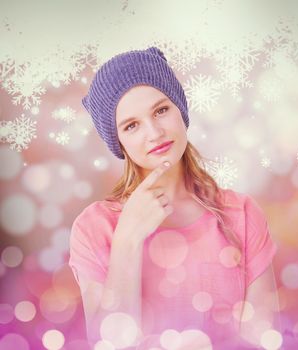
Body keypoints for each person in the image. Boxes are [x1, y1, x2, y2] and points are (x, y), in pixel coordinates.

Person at [69, 46, 280, 349]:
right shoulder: (95, 227)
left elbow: (264, 340)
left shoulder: (241, 214)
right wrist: (127, 239)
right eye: (131, 125)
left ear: (180, 110)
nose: (154, 132)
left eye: (161, 110)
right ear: (119, 142)